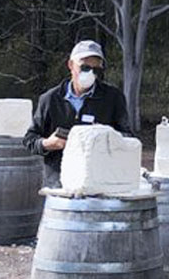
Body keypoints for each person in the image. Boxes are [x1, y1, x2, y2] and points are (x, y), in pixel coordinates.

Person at [23, 40, 132, 187]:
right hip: (58, 184)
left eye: (96, 70)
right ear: (71, 65)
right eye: (85, 67)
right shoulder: (50, 99)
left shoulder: (113, 98)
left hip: (98, 183)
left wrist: (103, 138)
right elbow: (29, 140)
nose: (90, 74)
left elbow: (127, 137)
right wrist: (48, 143)